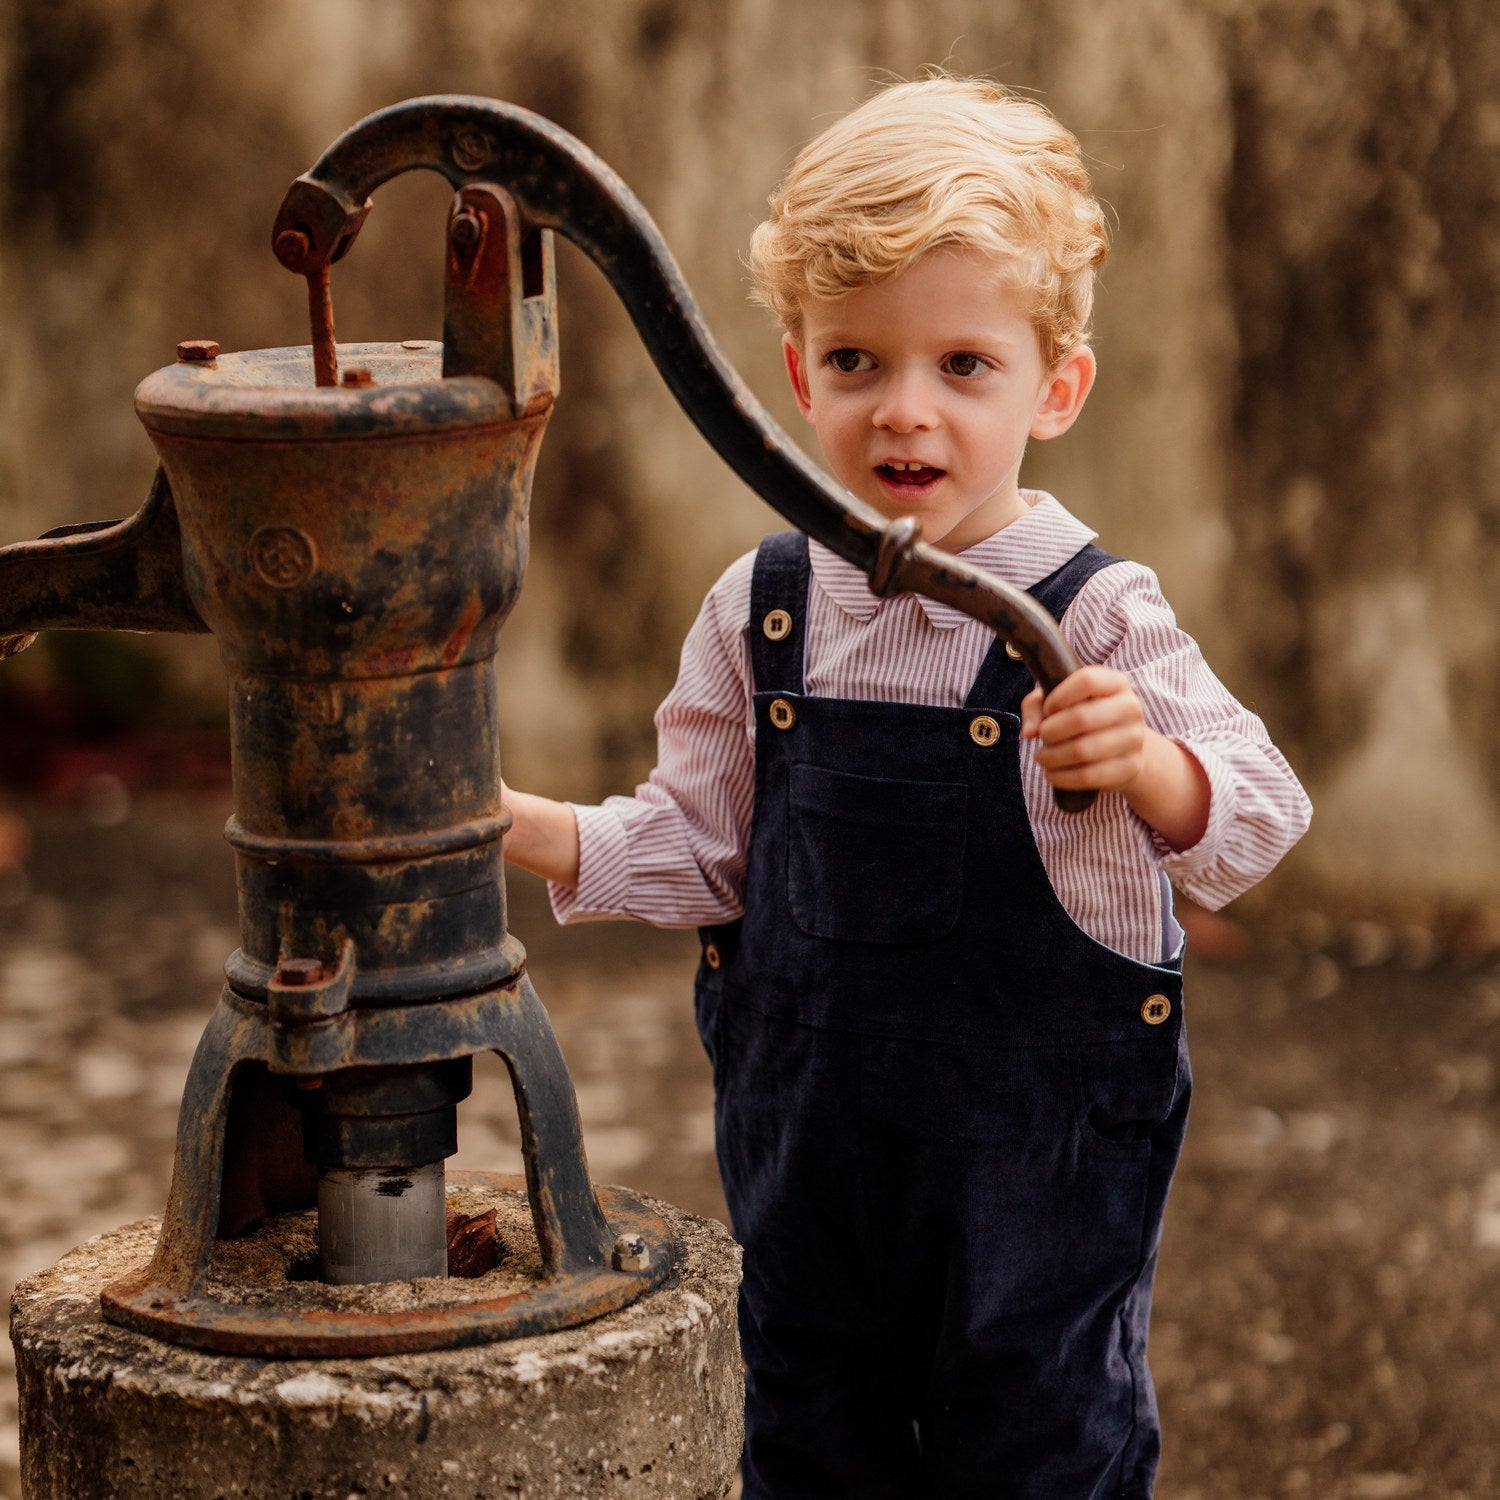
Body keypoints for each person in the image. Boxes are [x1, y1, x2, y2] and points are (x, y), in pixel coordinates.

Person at [503, 75, 1312, 1499]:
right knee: (809, 1438)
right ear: (798, 376)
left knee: (1038, 1446)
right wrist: (520, 825)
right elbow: (702, 847)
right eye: (858, 360)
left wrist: (1149, 766)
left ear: (1057, 387)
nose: (905, 411)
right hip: (810, 1165)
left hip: (1038, 1180)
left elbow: (1257, 815)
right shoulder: (762, 607)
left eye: (965, 365)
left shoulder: (1094, 615)